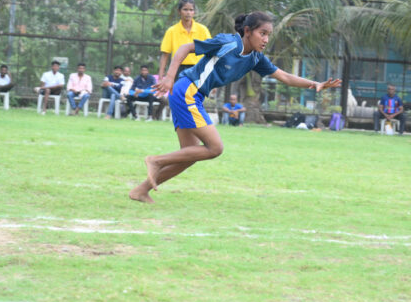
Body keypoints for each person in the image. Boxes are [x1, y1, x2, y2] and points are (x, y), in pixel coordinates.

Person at [128, 11, 341, 204]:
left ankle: (141, 191)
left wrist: (315, 84)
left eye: (269, 35)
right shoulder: (228, 42)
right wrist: (168, 77)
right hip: (187, 91)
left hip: (192, 95)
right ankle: (155, 161)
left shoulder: (255, 58)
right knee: (215, 148)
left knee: (189, 155)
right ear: (247, 31)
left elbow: (284, 76)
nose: (266, 40)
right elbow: (185, 48)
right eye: (262, 33)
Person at [158, 0, 212, 80]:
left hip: (198, 69)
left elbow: (210, 52)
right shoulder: (171, 31)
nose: (188, 13)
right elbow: (165, 55)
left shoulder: (203, 30)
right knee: (178, 89)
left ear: (194, 12)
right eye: (185, 9)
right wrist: (160, 77)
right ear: (179, 11)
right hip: (177, 70)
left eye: (191, 10)